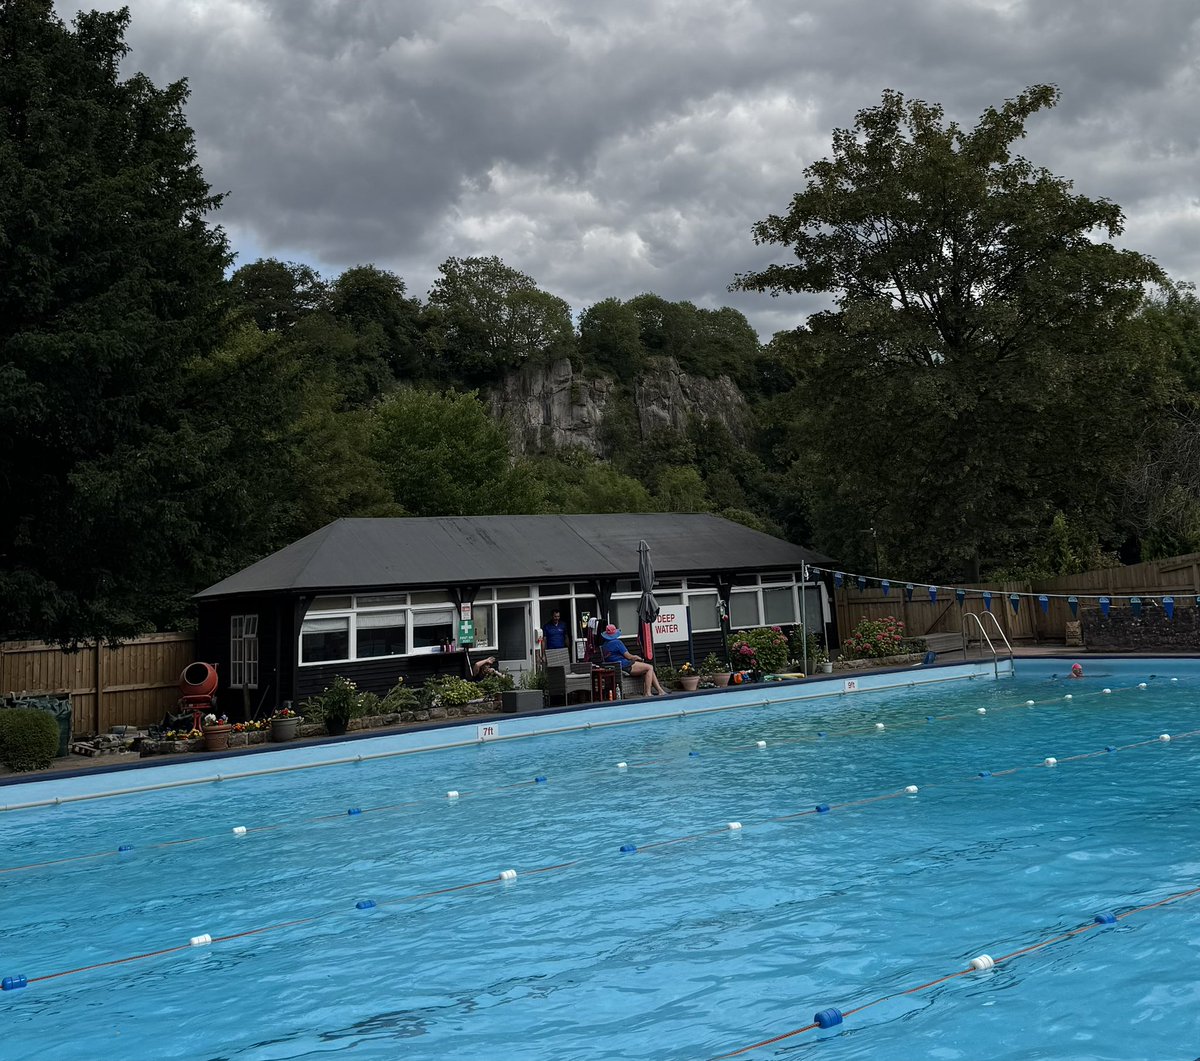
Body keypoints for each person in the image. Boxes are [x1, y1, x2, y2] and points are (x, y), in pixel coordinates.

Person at [599, 623, 665, 696]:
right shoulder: (617, 642)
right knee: (650, 667)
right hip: (625, 666)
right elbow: (629, 657)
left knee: (648, 669)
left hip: (615, 668)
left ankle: (660, 690)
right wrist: (637, 657)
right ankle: (648, 693)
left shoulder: (604, 645)